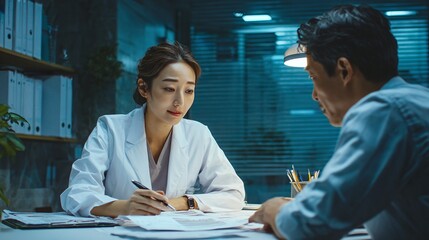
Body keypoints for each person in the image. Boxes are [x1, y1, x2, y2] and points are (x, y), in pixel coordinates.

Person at [249, 4, 429, 239]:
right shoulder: (414, 100)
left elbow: (310, 226)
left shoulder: (383, 111)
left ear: (344, 70)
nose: (314, 95)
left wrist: (274, 209)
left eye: (314, 76)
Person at [61, 41, 245, 217]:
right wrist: (125, 207)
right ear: (143, 88)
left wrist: (182, 202)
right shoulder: (110, 129)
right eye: (169, 89)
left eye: (189, 91)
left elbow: (233, 193)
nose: (180, 102)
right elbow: (77, 194)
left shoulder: (198, 135)